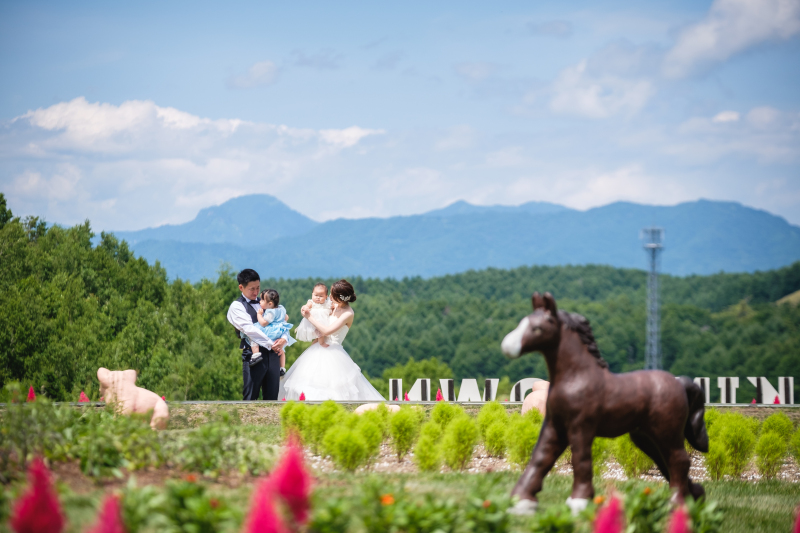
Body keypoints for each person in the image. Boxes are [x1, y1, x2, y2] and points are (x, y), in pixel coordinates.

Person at [279, 279, 384, 401]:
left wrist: (309, 317)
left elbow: (327, 331)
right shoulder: (333, 305)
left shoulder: (348, 313)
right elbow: (314, 303)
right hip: (317, 347)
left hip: (333, 350)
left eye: (332, 295)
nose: (329, 297)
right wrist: (305, 308)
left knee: (332, 388)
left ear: (340, 298)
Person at [227, 269, 287, 400]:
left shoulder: (266, 302)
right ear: (241, 287)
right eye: (251, 289)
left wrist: (283, 339)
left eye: (258, 288)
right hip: (255, 356)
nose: (256, 292)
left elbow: (281, 322)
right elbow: (250, 330)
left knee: (272, 397)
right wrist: (271, 344)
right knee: (250, 398)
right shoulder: (237, 306)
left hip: (273, 355)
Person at [240, 288, 296, 376]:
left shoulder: (271, 312)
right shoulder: (281, 308)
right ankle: (282, 367)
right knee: (281, 350)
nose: (260, 301)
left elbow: (263, 323)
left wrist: (259, 315)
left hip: (271, 331)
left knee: (253, 334)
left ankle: (256, 354)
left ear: (270, 304)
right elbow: (286, 317)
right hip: (280, 330)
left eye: (262, 300)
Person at [294, 282, 332, 348]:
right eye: (316, 295)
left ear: (326, 296)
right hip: (314, 322)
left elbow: (331, 307)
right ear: (312, 295)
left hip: (323, 322)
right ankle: (322, 343)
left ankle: (313, 346)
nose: (318, 298)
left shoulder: (326, 303)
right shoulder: (311, 302)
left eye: (321, 296)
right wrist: (305, 308)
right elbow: (307, 306)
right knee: (319, 333)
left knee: (318, 336)